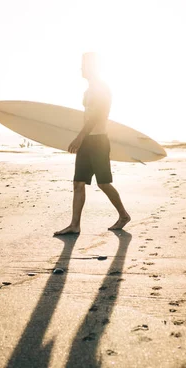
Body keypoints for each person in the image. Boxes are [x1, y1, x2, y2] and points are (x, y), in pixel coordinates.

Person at [54, 53, 131, 235]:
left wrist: (80, 137)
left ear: (93, 67)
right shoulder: (89, 90)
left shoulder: (101, 88)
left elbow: (96, 116)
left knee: (103, 183)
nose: (81, 68)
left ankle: (123, 215)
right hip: (88, 141)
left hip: (98, 141)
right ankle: (75, 225)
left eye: (84, 65)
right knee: (78, 182)